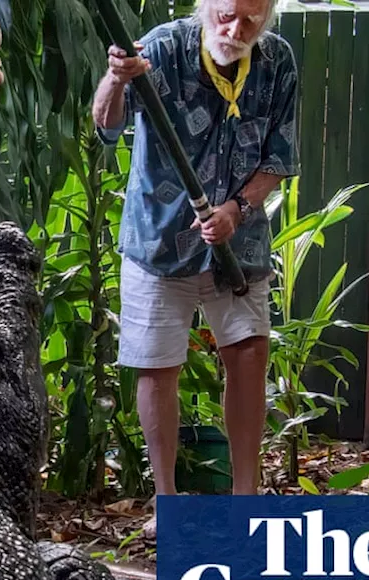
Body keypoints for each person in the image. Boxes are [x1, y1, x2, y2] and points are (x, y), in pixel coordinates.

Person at [91, 0, 299, 537]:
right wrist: (117, 79)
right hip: (159, 239)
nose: (235, 29)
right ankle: (169, 502)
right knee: (156, 363)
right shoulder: (160, 49)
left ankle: (245, 500)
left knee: (249, 353)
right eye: (226, 14)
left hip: (239, 241)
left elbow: (278, 158)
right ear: (206, 7)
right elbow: (105, 126)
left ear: (268, 16)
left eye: (251, 19)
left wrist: (237, 209)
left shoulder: (277, 62)